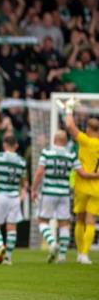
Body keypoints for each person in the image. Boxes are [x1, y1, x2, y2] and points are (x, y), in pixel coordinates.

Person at [31, 130, 97, 263]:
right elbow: (82, 174)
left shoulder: (46, 153)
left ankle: (52, 243)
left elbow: (39, 172)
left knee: (42, 220)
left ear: (54, 140)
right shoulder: (71, 155)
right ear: (65, 141)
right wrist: (96, 175)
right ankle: (62, 256)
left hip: (49, 192)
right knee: (64, 224)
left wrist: (33, 189)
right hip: (64, 194)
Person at [64, 101, 99, 265]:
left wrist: (69, 108)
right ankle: (85, 254)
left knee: (80, 219)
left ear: (89, 130)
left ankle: (80, 253)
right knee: (91, 220)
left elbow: (70, 126)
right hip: (97, 188)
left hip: (83, 184)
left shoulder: (86, 141)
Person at [0, 134, 27, 265]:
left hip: (1, 195)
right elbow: (23, 180)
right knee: (11, 227)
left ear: (4, 145)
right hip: (14, 196)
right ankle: (8, 257)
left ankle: (0, 246)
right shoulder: (22, 161)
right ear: (16, 146)